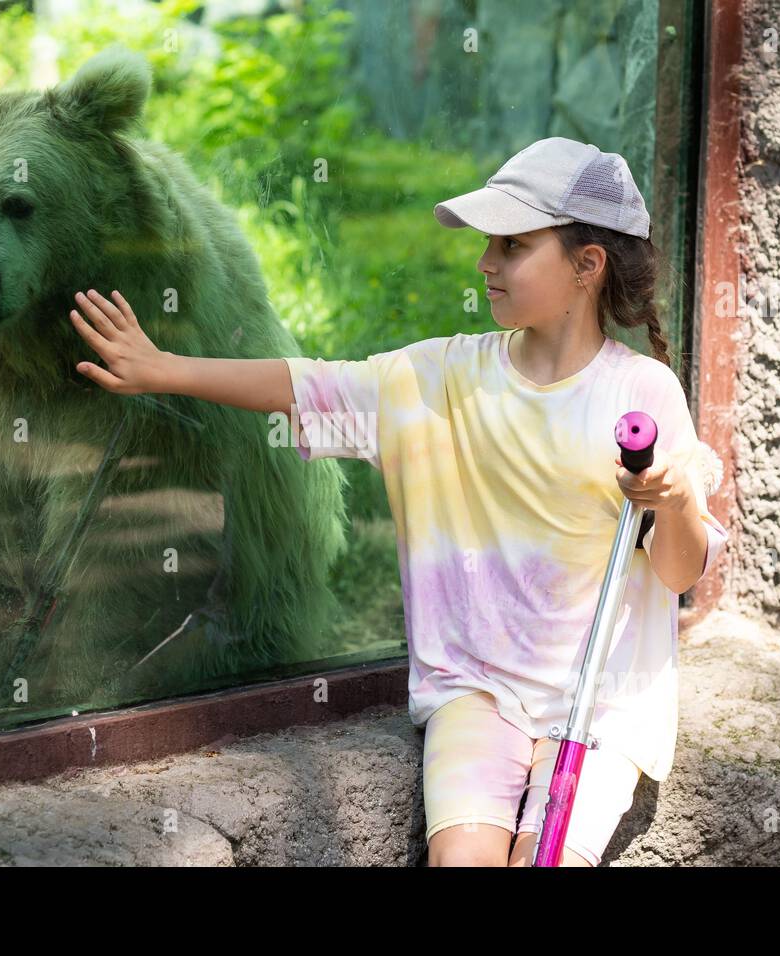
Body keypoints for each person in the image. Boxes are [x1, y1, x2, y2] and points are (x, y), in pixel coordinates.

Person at [66, 136, 729, 867]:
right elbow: (308, 384)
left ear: (587, 265)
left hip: (599, 711)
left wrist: (671, 500)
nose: (486, 263)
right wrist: (163, 369)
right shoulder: (442, 377)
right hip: (477, 693)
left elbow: (677, 572)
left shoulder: (641, 393)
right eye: (489, 245)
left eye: (512, 246)